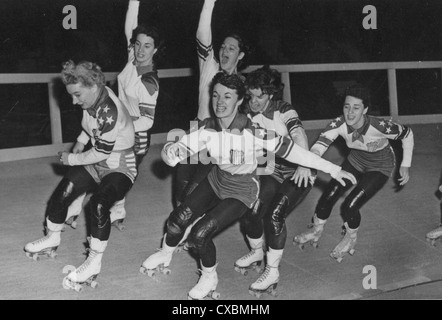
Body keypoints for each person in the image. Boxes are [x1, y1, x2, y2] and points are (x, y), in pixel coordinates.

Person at [139, 72, 356, 300]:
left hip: (241, 191)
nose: (220, 102)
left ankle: (209, 277)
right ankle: (165, 252)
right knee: (175, 221)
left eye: (227, 96)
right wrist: (169, 153)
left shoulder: (254, 133)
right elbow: (177, 148)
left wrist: (333, 169)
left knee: (199, 235)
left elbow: (298, 153)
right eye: (215, 95)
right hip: (216, 181)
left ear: (239, 101)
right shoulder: (207, 128)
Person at [24, 60, 137, 291]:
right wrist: (80, 142)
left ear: (93, 86)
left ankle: (94, 261)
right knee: (65, 188)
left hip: (120, 166)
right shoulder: (92, 102)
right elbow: (89, 128)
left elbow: (102, 151)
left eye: (77, 95)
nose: (74, 101)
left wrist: (72, 159)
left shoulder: (109, 111)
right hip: (97, 160)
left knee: (97, 204)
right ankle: (52, 236)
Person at [65, 0, 161, 231]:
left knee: (110, 175)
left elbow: (148, 121)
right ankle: (78, 208)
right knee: (98, 168)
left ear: (155, 50)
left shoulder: (149, 82)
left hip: (134, 138)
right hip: (111, 124)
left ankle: (112, 211)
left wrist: (121, 125)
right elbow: (130, 28)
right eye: (137, 44)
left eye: (147, 46)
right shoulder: (132, 61)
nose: (140, 50)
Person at [293, 84, 414, 262]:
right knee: (330, 193)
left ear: (365, 109)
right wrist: (307, 163)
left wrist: (405, 164)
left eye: (356, 108)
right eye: (346, 106)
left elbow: (408, 134)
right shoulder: (339, 124)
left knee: (350, 205)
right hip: (356, 161)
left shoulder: (379, 126)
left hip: (380, 166)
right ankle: (317, 229)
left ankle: (351, 237)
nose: (350, 113)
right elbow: (319, 147)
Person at [234, 66, 315, 297]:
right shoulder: (249, 111)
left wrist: (304, 164)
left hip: (299, 170)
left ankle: (272, 270)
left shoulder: (284, 110)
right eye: (251, 96)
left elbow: (299, 135)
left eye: (260, 96)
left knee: (274, 216)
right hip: (272, 168)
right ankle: (258, 251)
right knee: (251, 210)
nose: (255, 101)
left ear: (271, 94)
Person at [174, 0, 250, 208]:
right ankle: (183, 235)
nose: (225, 51)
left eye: (231, 49)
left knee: (193, 198)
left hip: (217, 142)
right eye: (223, 47)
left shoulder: (243, 85)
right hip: (196, 131)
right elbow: (202, 34)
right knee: (180, 196)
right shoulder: (210, 67)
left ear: (240, 55)